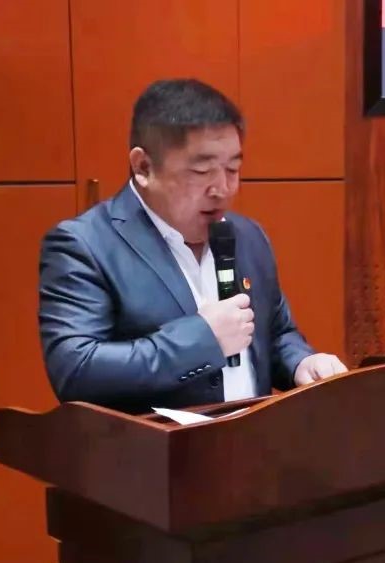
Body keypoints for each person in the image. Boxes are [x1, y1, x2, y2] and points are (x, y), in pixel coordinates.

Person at [38, 78, 347, 413]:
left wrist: (301, 362)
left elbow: (275, 334)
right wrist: (202, 340)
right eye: (202, 171)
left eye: (233, 169)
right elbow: (76, 370)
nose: (222, 189)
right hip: (155, 445)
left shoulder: (248, 236)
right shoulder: (85, 245)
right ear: (144, 167)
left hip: (253, 440)